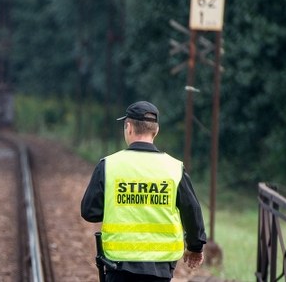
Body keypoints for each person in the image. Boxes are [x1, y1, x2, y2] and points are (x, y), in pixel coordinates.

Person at [80, 101, 206, 282]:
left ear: (129, 127)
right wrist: (195, 247)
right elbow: (191, 211)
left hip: (119, 266)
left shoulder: (108, 165)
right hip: (160, 268)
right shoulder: (174, 168)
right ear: (156, 130)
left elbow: (89, 212)